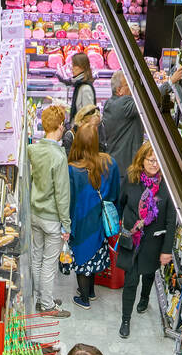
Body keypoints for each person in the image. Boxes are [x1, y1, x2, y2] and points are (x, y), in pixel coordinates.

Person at [116, 141, 177, 339]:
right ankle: (126, 319)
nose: (154, 164)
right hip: (132, 240)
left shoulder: (166, 186)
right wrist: (121, 225)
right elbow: (121, 202)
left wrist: (167, 250)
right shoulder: (131, 179)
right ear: (141, 160)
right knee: (131, 280)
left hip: (153, 242)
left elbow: (170, 220)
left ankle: (144, 299)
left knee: (149, 274)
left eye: (157, 160)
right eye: (150, 160)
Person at [67, 122, 120, 309]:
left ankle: (84, 299)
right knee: (95, 254)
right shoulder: (110, 163)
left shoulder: (73, 169)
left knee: (82, 258)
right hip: (99, 222)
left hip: (80, 222)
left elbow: (69, 200)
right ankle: (91, 291)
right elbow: (114, 194)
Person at [28, 104, 71, 317]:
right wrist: (67, 224)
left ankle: (39, 298)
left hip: (35, 214)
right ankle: (47, 305)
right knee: (49, 263)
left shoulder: (33, 149)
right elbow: (62, 195)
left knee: (37, 257)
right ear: (61, 126)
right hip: (52, 218)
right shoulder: (59, 157)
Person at [102, 71, 144, 180]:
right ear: (119, 90)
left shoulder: (109, 103)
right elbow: (146, 102)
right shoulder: (123, 104)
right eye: (127, 85)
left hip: (113, 163)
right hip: (125, 167)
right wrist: (170, 82)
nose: (130, 88)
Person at [66, 52, 97, 125]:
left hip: (81, 133)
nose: (71, 69)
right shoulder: (79, 85)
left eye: (74, 66)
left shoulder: (86, 89)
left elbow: (88, 117)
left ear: (81, 67)